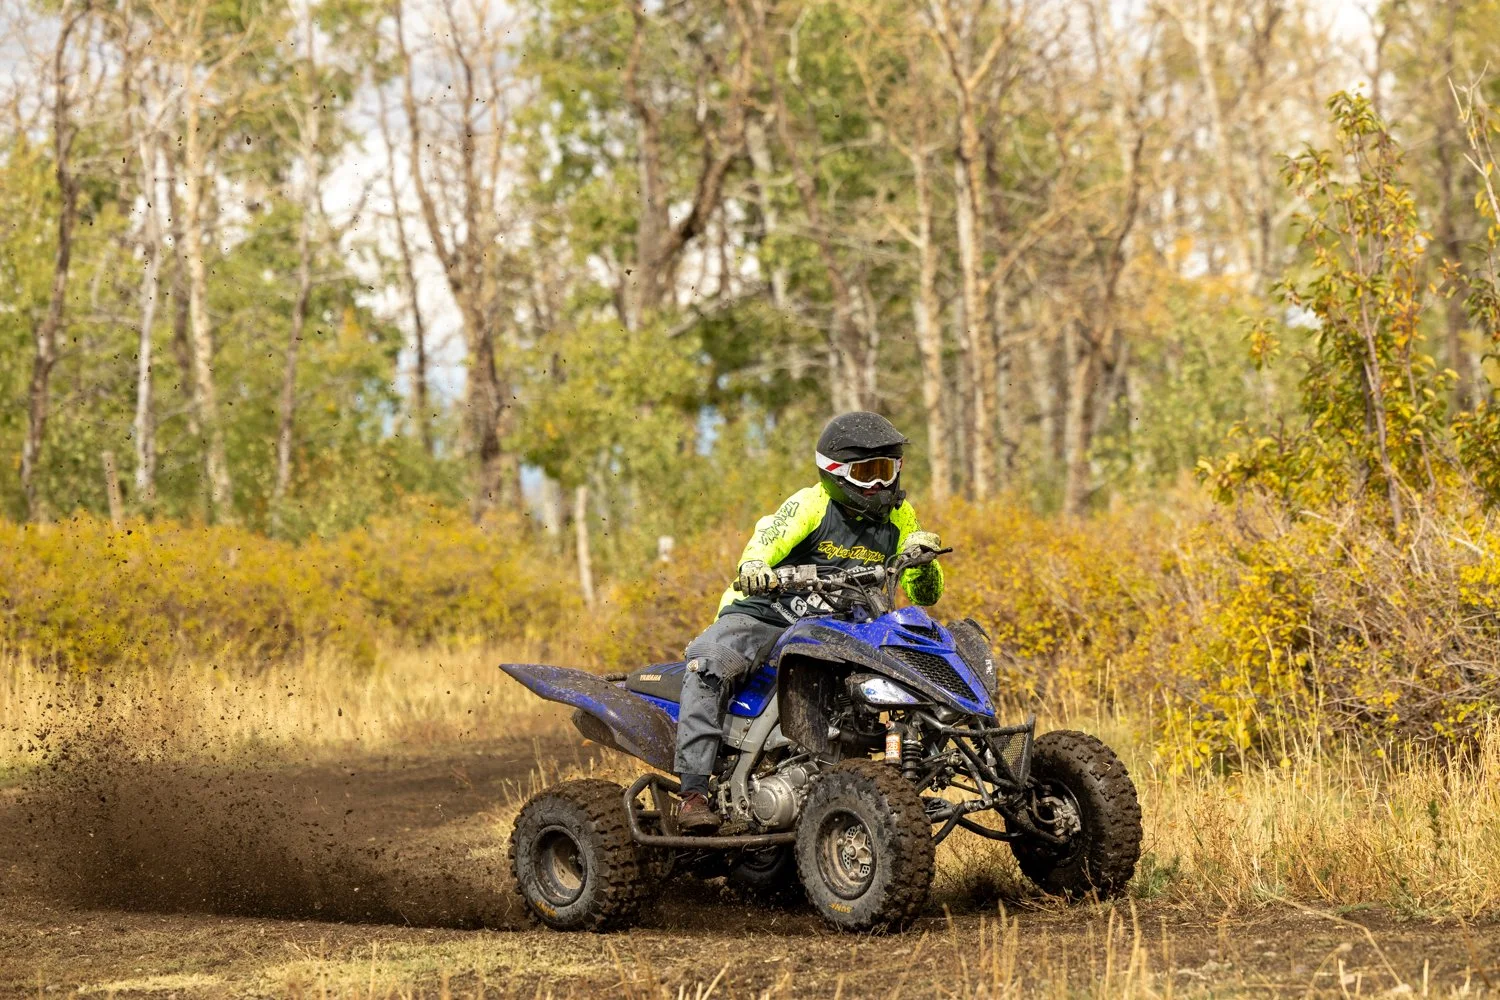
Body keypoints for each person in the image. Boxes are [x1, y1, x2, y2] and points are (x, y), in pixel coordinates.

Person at [674, 411, 945, 832]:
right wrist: (755, 567)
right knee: (706, 666)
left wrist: (922, 558)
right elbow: (766, 537)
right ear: (836, 473)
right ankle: (692, 792)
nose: (878, 484)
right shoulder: (812, 503)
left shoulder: (900, 515)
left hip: (841, 628)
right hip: (767, 614)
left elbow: (926, 594)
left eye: (886, 471)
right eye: (867, 472)